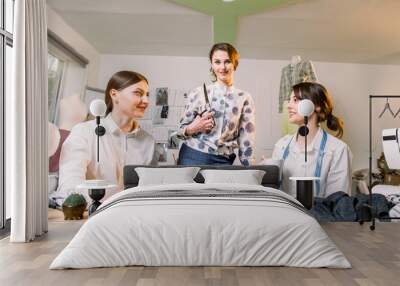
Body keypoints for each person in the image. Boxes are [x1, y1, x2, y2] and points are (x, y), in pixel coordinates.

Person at [55, 70, 158, 205]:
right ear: (114, 95)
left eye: (147, 95)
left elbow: (151, 189)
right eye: (138, 93)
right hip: (94, 217)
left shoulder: (148, 142)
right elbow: (70, 188)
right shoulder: (83, 132)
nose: (146, 101)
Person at [177, 43, 256, 166]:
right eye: (217, 62)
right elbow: (180, 132)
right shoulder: (198, 93)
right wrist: (194, 127)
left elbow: (247, 139)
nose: (222, 67)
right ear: (212, 65)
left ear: (235, 63)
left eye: (227, 61)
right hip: (192, 155)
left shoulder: (244, 98)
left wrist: (252, 170)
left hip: (224, 159)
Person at [272, 82, 352, 198]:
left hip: (320, 216)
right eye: (289, 101)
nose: (288, 106)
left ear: (317, 106)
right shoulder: (281, 146)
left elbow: (337, 202)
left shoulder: (338, 150)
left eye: (295, 100)